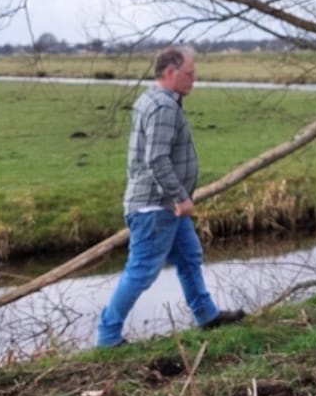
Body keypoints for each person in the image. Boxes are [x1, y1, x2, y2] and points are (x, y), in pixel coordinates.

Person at [97, 45, 244, 347]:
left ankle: (206, 315)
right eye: (189, 74)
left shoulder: (154, 99)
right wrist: (180, 197)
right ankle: (108, 336)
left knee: (190, 257)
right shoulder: (163, 107)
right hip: (155, 207)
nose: (194, 79)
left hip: (165, 206)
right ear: (169, 73)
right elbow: (157, 159)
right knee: (141, 272)